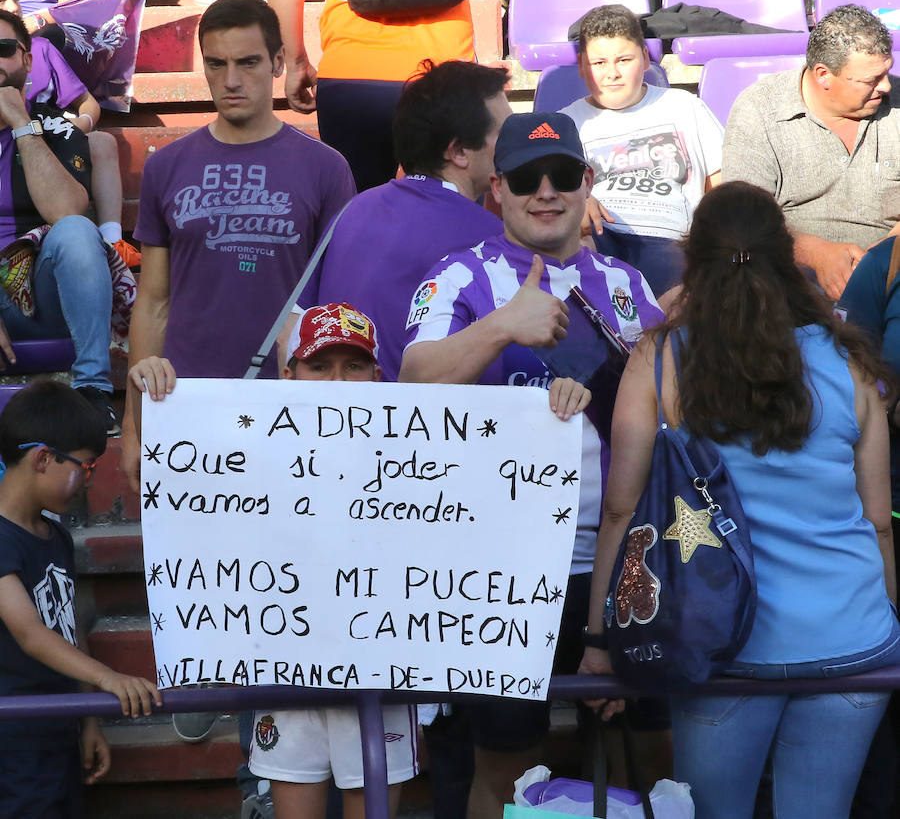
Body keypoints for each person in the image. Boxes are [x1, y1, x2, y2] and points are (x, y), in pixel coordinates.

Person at [579, 180, 899, 818]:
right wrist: (887, 618)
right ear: (788, 259)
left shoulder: (661, 358)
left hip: (718, 643)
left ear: (692, 262)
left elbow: (621, 510)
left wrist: (599, 639)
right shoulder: (850, 361)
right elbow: (878, 522)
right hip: (852, 640)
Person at [399, 111, 662, 819]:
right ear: (496, 191)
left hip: (624, 561)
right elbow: (411, 385)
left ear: (588, 183)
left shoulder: (628, 285)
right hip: (502, 570)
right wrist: (502, 327)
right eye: (524, 178)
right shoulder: (458, 275)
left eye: (563, 175)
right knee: (505, 770)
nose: (545, 191)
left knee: (654, 759)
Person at [129, 304, 420, 819]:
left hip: (378, 674)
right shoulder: (248, 442)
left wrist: (557, 401)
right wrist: (144, 388)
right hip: (286, 669)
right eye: (319, 365)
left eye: (353, 366)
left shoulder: (423, 448)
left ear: (378, 376)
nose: (337, 382)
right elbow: (177, 475)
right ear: (289, 373)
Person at [124, 0, 355, 491]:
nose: (231, 80)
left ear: (277, 63)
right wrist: (132, 422)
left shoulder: (326, 168)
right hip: (183, 397)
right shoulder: (167, 166)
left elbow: (337, 303)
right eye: (216, 64)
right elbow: (153, 301)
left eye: (248, 62)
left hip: (289, 405)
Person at [285, 59, 510, 381]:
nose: (514, 145)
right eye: (504, 133)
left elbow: (291, 330)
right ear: (459, 151)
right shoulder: (491, 236)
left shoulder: (353, 209)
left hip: (338, 423)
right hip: (433, 426)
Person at [0, 380, 161, 819]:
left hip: (59, 729)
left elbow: (66, 628)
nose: (88, 483)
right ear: (42, 458)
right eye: (85, 468)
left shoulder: (57, 537)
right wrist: (109, 678)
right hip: (12, 739)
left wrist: (89, 717)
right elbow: (31, 634)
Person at [722, 4, 900, 300]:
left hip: (893, 269)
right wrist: (815, 255)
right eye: (871, 80)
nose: (885, 86)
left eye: (886, 72)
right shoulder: (760, 108)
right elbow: (742, 217)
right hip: (787, 275)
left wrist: (885, 257)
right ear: (823, 75)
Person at [0, 9, 118, 433]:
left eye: (4, 49)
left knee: (77, 230)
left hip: (34, 294)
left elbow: (67, 213)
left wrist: (20, 125)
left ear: (28, 60)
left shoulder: (52, 127)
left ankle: (92, 392)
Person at [560, 4, 723, 297]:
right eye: (599, 63)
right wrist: (575, 197)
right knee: (574, 248)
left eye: (624, 60)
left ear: (646, 58)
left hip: (668, 239)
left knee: (680, 302)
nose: (612, 73)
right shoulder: (567, 123)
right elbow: (548, 190)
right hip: (599, 235)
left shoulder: (684, 106)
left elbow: (724, 185)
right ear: (583, 66)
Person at [267, 0, 477, 191]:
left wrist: (296, 62)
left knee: (356, 214)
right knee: (452, 216)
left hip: (352, 72)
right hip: (446, 70)